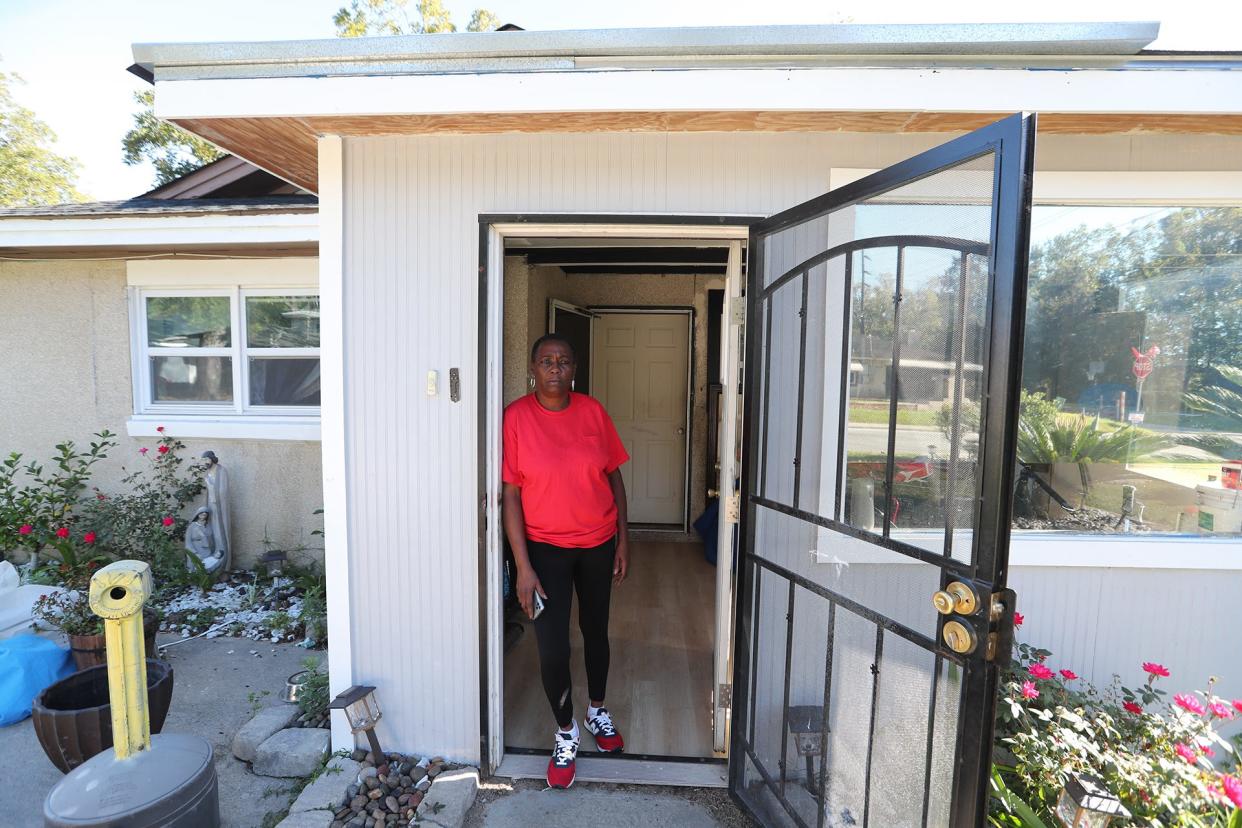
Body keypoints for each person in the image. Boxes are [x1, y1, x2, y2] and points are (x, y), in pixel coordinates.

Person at [502, 333, 631, 789]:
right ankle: (567, 731)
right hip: (544, 551)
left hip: (597, 543)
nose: (555, 367)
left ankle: (597, 711)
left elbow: (614, 477)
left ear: (574, 368)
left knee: (596, 632)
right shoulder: (515, 418)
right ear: (533, 368)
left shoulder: (593, 412)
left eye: (563, 360)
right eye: (546, 360)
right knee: (552, 646)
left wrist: (622, 540)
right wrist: (523, 565)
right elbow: (511, 497)